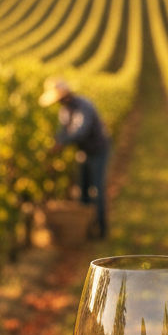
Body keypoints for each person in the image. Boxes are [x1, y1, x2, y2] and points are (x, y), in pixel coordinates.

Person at [40, 77, 110, 239]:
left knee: (97, 191)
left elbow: (81, 130)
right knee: (82, 192)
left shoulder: (84, 106)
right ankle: (85, 230)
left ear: (64, 96)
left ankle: (101, 230)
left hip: (98, 151)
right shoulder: (64, 110)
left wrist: (62, 142)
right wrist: (56, 144)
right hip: (83, 152)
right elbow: (63, 131)